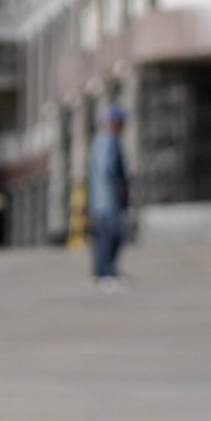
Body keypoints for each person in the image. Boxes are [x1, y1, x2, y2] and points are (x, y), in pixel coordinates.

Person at [87, 104, 131, 285]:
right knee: (111, 236)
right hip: (108, 199)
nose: (123, 124)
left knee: (102, 236)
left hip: (99, 199)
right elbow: (108, 170)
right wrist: (121, 187)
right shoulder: (109, 141)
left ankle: (101, 272)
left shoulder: (98, 140)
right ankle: (106, 273)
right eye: (121, 121)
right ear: (114, 121)